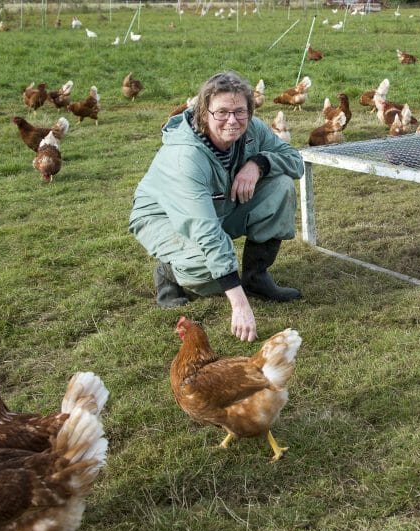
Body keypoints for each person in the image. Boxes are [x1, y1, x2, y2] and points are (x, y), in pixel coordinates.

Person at [129, 71, 304, 342]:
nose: (232, 121)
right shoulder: (185, 156)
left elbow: (295, 160)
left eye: (240, 112)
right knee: (208, 271)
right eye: (222, 112)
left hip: (220, 204)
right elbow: (205, 229)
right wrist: (239, 304)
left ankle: (256, 277)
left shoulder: (253, 130)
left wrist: (258, 164)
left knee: (280, 185)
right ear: (204, 113)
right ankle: (170, 272)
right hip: (164, 216)